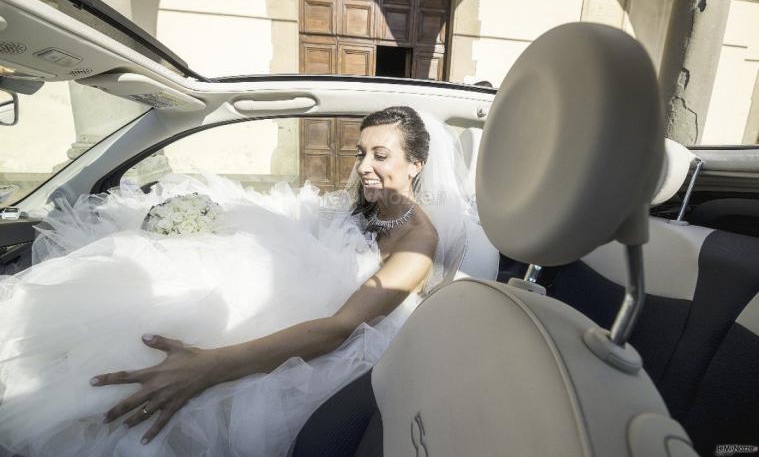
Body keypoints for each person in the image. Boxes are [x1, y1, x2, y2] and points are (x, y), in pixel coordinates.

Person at [0, 106, 470, 456]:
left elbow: (339, 327)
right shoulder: (364, 207)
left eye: (381, 155)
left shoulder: (417, 242)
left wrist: (211, 365)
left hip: (332, 340)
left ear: (416, 164)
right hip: (299, 300)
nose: (365, 165)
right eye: (361, 152)